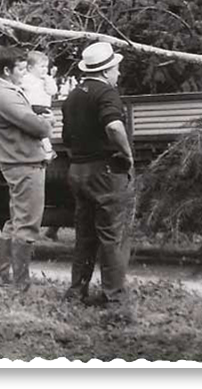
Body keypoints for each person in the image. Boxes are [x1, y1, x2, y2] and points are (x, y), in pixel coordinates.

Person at [61, 41, 135, 318]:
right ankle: (114, 299)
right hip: (105, 172)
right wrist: (126, 153)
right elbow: (114, 125)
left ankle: (76, 292)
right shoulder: (107, 93)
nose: (118, 73)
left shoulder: (73, 96)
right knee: (113, 235)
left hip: (78, 170)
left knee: (85, 236)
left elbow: (66, 137)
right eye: (116, 68)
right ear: (106, 70)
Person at [0, 47, 54, 290]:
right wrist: (47, 122)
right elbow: (36, 127)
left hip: (18, 161)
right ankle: (21, 284)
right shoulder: (6, 95)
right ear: (7, 70)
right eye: (20, 68)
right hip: (24, 162)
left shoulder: (6, 92)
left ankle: (3, 276)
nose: (24, 73)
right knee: (27, 224)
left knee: (15, 222)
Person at [20, 51, 59, 161]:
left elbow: (53, 91)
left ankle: (47, 149)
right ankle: (45, 149)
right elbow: (19, 86)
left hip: (45, 107)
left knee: (45, 129)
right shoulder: (27, 78)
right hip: (32, 107)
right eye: (41, 66)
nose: (44, 69)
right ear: (30, 68)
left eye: (46, 66)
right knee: (37, 130)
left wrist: (48, 80)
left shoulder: (47, 79)